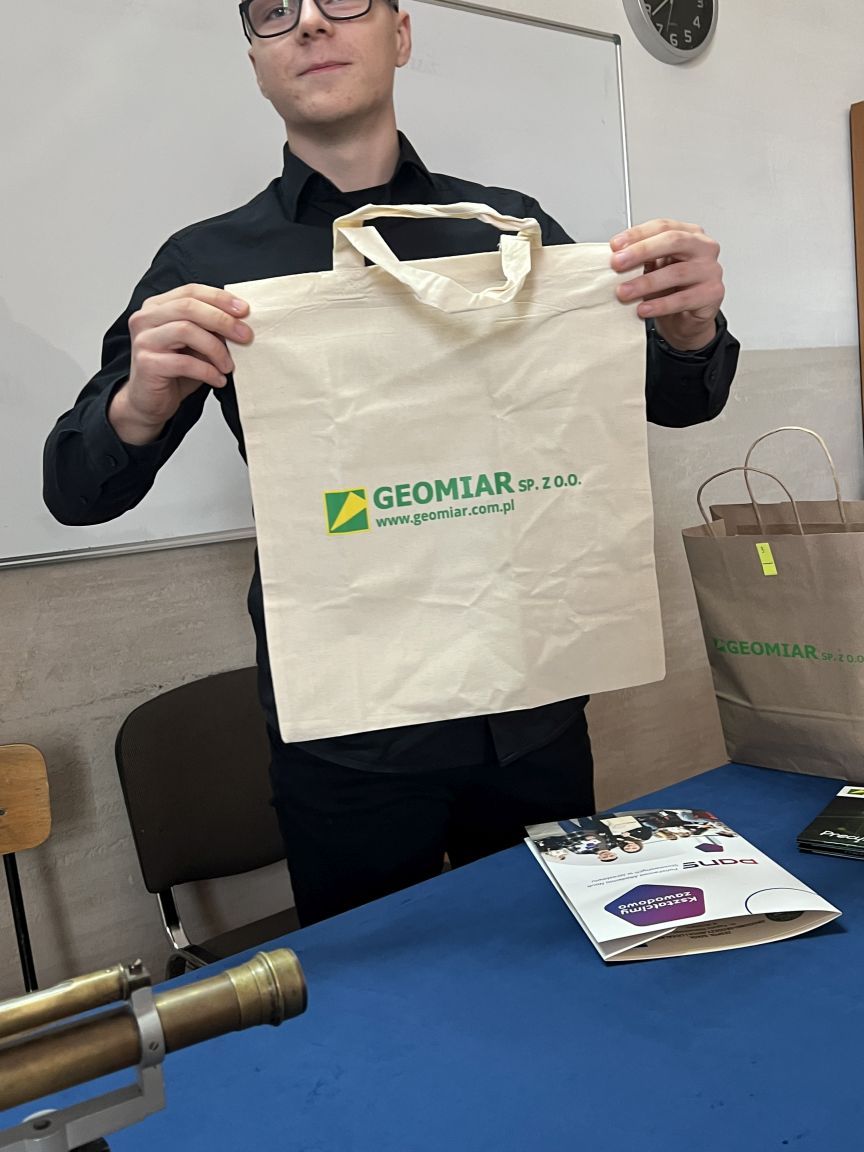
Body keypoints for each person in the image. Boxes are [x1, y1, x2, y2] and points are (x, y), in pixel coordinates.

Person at [42, 0, 740, 926]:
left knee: (557, 961)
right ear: (255, 61)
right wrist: (137, 404)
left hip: (531, 708)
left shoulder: (514, 234)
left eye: (343, 1)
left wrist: (691, 329)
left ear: (401, 35)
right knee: (373, 991)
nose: (309, 25)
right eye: (273, 11)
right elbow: (75, 492)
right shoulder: (207, 265)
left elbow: (673, 399)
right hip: (348, 737)